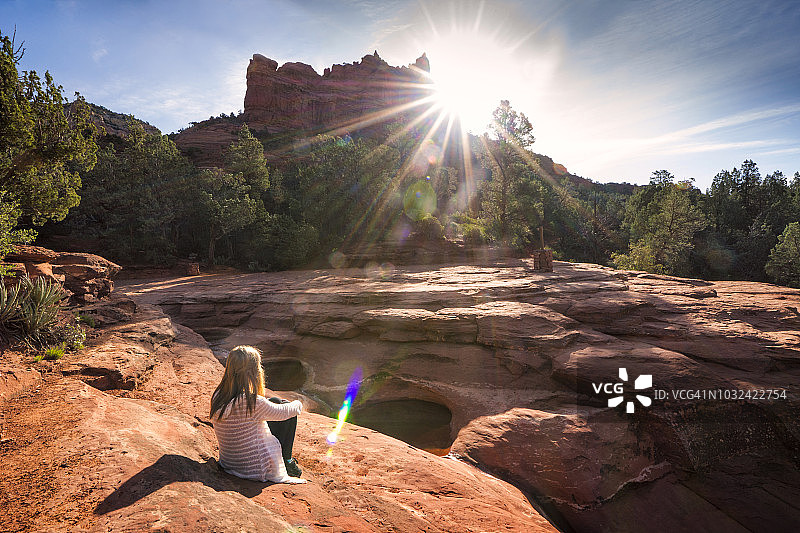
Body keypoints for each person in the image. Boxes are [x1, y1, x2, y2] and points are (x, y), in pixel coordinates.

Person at [210, 345, 306, 484]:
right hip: (255, 467)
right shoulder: (251, 401)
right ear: (254, 371)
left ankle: (286, 460)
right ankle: (287, 461)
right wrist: (298, 402)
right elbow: (287, 412)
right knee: (286, 408)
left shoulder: (219, 395)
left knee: (275, 401)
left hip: (231, 463)